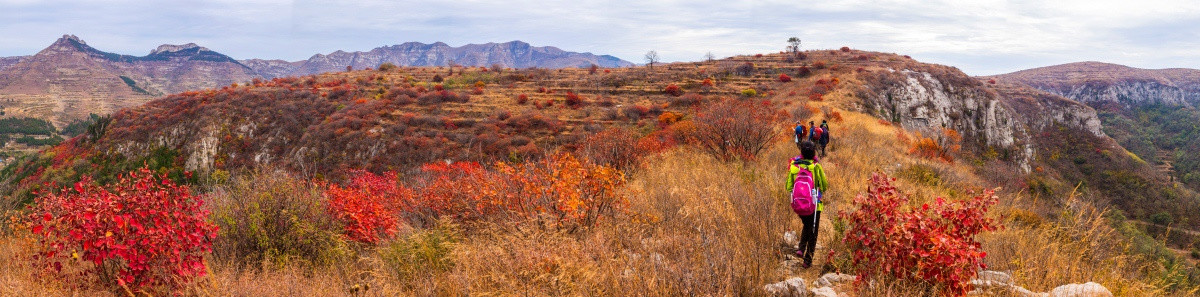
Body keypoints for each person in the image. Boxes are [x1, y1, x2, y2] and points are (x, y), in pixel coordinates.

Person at [787, 141, 828, 268]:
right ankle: (807, 260)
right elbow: (824, 186)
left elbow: (789, 187)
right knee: (813, 232)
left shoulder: (794, 167)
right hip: (815, 206)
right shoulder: (816, 167)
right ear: (814, 153)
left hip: (799, 206)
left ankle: (801, 248)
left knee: (807, 225)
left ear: (802, 153)